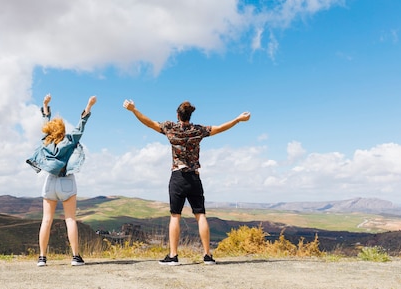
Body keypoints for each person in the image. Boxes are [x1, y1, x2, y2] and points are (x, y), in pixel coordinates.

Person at [123, 99, 250, 266]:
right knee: (201, 215)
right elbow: (219, 128)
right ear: (190, 115)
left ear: (177, 115)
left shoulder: (171, 128)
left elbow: (150, 123)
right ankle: (207, 256)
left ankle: (173, 256)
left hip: (177, 176)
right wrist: (237, 119)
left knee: (175, 216)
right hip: (194, 177)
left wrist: (134, 110)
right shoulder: (198, 130)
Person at [27, 93, 96, 267]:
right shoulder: (70, 140)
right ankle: (75, 257)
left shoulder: (46, 142)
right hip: (66, 181)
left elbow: (45, 123)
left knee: (46, 220)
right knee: (70, 219)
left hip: (50, 181)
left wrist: (45, 105)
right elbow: (82, 125)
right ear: (63, 130)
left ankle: (42, 258)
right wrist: (89, 105)